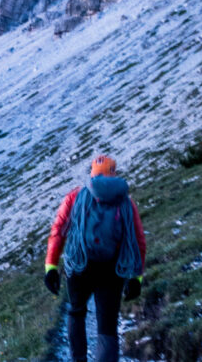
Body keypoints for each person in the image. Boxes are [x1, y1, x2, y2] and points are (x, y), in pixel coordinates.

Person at [43, 155, 146, 362]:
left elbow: (58, 231)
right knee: (107, 326)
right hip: (112, 269)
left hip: (80, 266)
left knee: (76, 312)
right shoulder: (125, 202)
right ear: (113, 173)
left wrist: (51, 267)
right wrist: (137, 278)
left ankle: (79, 359)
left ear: (92, 173)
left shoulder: (75, 197)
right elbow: (138, 241)